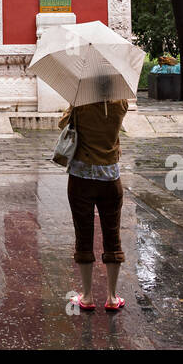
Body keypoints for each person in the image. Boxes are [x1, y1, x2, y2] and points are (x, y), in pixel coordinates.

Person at [59, 90, 129, 312]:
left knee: (84, 233)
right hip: (111, 178)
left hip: (81, 178)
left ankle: (87, 296)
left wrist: (73, 102)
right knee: (112, 234)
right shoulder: (121, 103)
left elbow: (62, 124)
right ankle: (111, 296)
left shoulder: (80, 103)